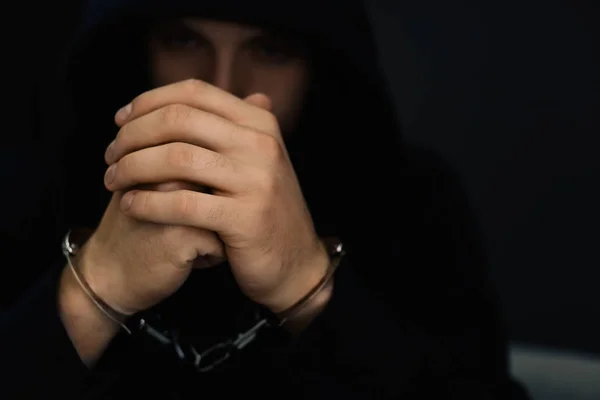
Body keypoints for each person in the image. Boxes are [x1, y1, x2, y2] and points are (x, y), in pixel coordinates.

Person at [1, 0, 530, 398]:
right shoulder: (39, 182)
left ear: (319, 66)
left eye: (270, 51)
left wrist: (305, 281)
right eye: (183, 40)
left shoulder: (416, 199)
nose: (222, 86)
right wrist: (97, 285)